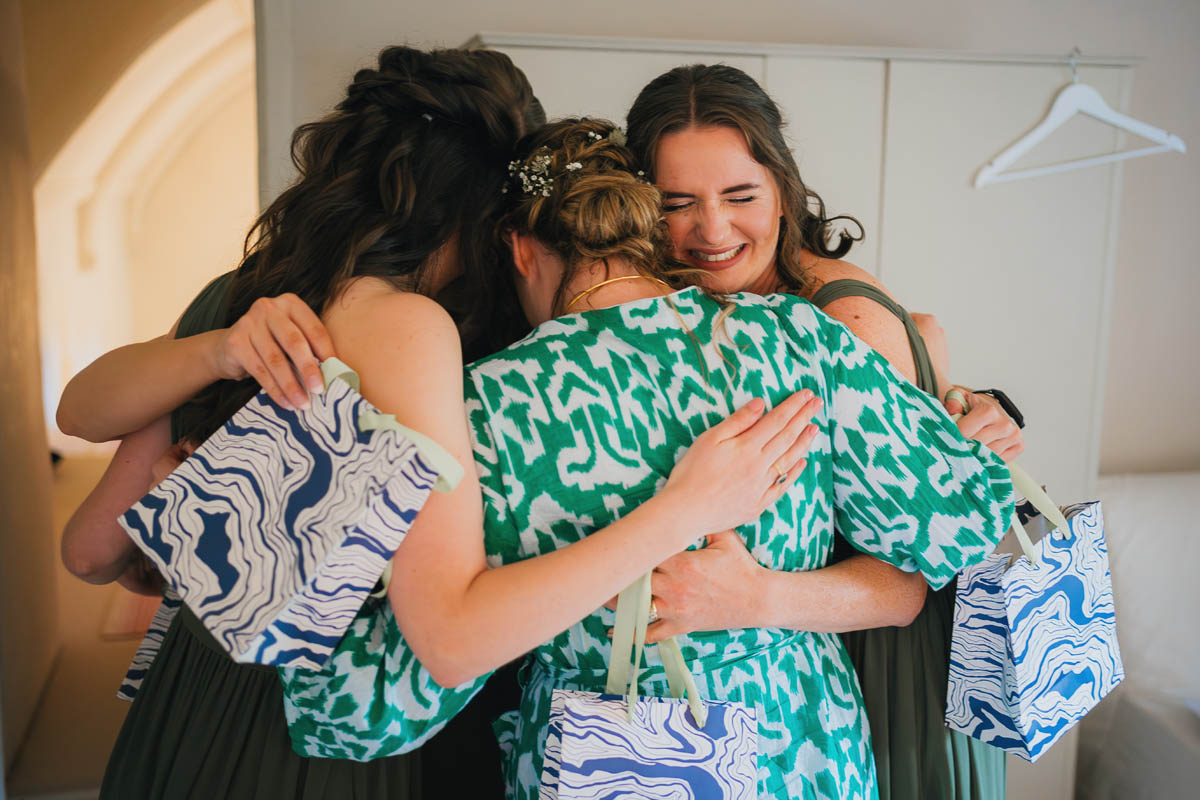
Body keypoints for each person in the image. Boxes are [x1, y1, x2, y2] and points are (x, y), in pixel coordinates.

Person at [56, 50, 817, 800]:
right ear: (489, 216)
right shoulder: (443, 342)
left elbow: (93, 549)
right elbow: (452, 630)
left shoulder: (243, 302)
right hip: (321, 729)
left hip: (189, 699)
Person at [452, 118, 1013, 799]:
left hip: (599, 754)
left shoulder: (484, 397)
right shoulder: (800, 338)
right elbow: (961, 525)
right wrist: (955, 416)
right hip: (800, 743)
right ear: (647, 224)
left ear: (517, 248)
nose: (714, 229)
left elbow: (379, 701)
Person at [624, 63, 1024, 800]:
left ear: (781, 191)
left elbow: (900, 583)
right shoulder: (716, 312)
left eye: (740, 196)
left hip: (878, 671)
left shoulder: (839, 321)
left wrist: (751, 599)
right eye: (678, 204)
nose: (711, 230)